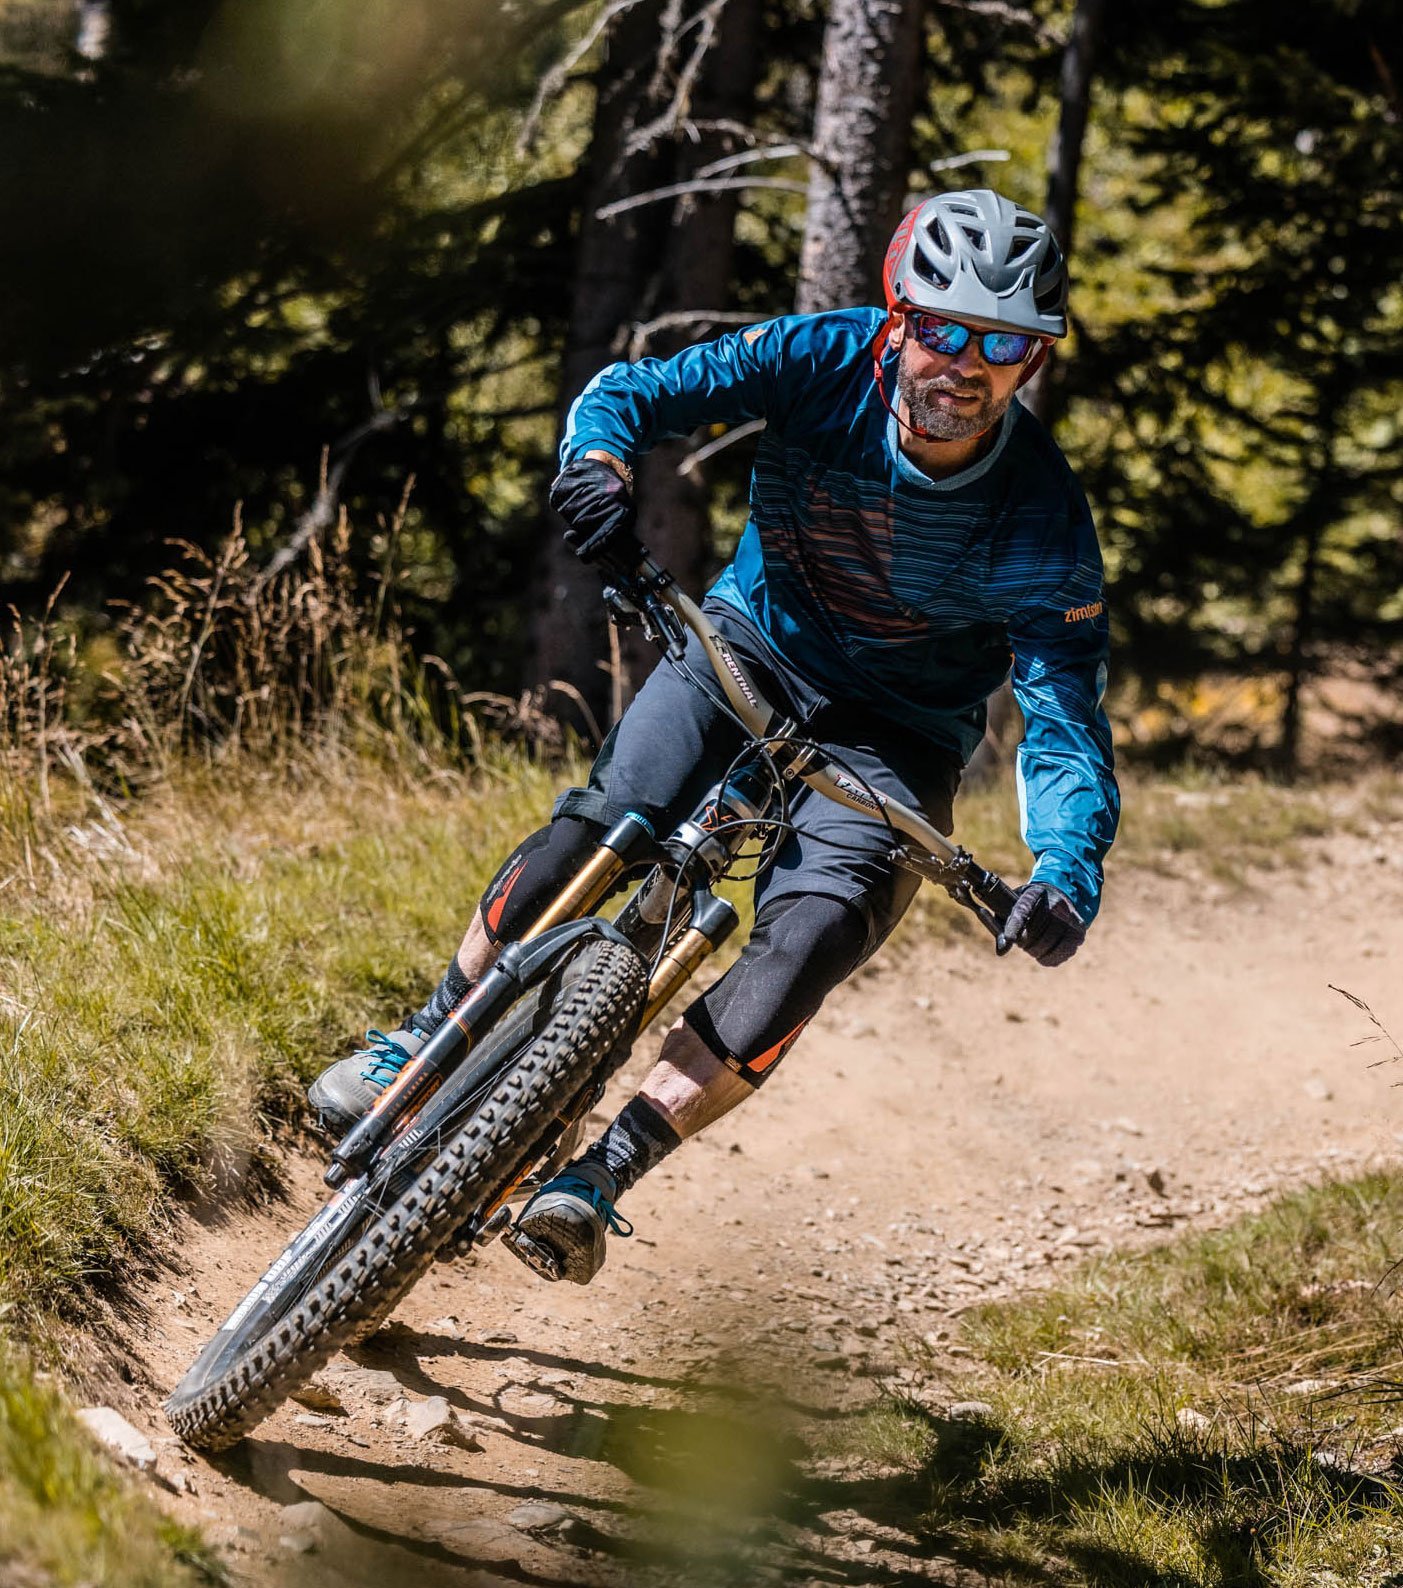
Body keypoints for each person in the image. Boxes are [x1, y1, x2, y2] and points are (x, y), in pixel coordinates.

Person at [308, 187, 1119, 1285]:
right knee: (606, 822)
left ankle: (600, 1173)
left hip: (898, 737)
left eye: (1002, 344)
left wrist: (1065, 870)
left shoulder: (1043, 518)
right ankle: (429, 1031)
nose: (962, 364)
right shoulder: (819, 359)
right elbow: (633, 392)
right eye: (941, 328)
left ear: (1032, 363)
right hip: (751, 646)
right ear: (896, 316)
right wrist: (594, 464)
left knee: (810, 936)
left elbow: (1063, 715)